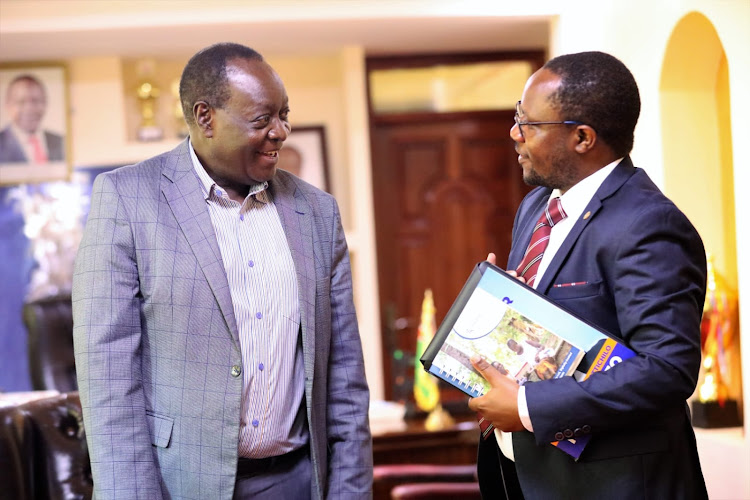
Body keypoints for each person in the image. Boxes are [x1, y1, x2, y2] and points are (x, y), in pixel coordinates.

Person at [72, 42, 372, 499]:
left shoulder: (318, 212)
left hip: (295, 482)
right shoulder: (127, 200)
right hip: (178, 484)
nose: (281, 132)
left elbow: (345, 378)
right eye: (261, 120)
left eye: (284, 115)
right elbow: (109, 379)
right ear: (205, 118)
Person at [468, 51, 708, 499]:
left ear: (582, 137)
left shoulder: (649, 224)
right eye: (518, 116)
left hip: (615, 485)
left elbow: (667, 368)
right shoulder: (536, 207)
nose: (514, 133)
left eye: (530, 124)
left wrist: (525, 407)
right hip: (531, 477)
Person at [0, 74, 65, 163]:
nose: (29, 108)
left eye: (36, 100)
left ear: (45, 102)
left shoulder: (61, 142)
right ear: (8, 105)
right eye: (21, 102)